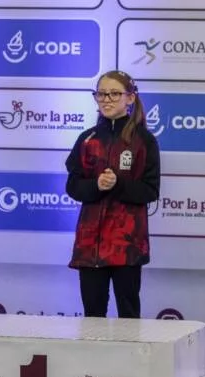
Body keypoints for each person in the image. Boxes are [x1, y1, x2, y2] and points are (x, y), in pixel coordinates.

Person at [65, 70, 160, 319]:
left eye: (115, 94)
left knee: (129, 317)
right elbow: (73, 186)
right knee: (92, 317)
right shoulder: (87, 139)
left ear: (130, 98)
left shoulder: (144, 141)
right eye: (101, 94)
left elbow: (150, 190)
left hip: (127, 247)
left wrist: (118, 184)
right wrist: (96, 185)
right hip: (90, 247)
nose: (106, 100)